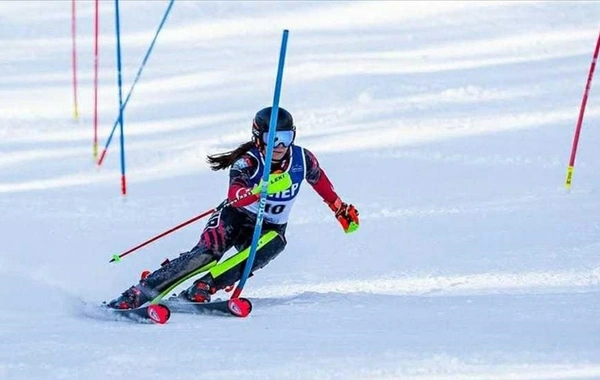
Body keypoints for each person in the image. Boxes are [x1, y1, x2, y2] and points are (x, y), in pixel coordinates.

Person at [107, 106, 360, 309]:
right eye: (273, 139)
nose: (280, 146)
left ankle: (205, 286)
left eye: (286, 138)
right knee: (207, 255)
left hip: (267, 227)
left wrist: (339, 209)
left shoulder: (302, 159)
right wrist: (258, 190)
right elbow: (235, 196)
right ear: (258, 138)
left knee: (275, 242)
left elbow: (320, 182)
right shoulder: (248, 161)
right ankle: (141, 291)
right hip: (234, 217)